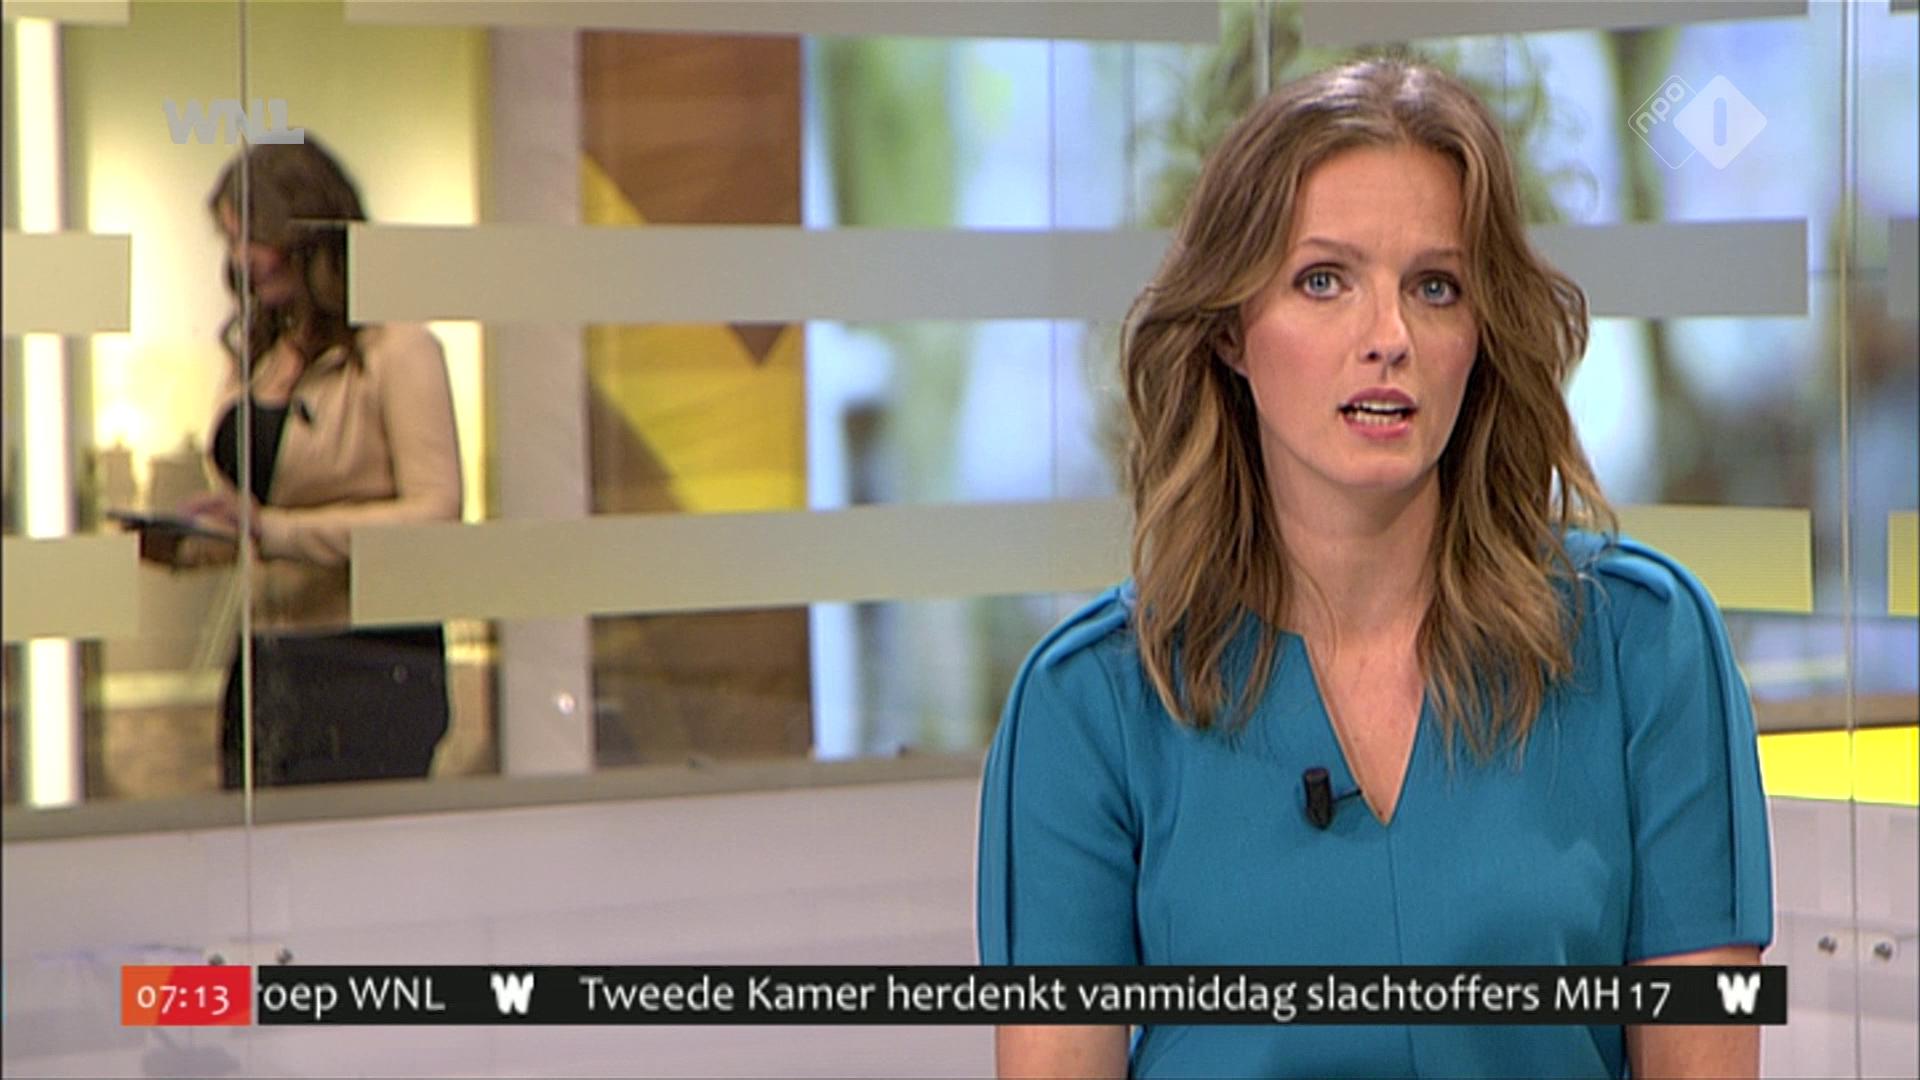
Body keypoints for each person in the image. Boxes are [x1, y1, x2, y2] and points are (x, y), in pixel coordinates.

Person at [976, 57, 1772, 1079]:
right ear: (1228, 331)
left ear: (1481, 333)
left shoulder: (1642, 648)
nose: (1389, 338)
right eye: (1324, 281)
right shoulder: (1093, 704)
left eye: (1435, 287)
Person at [146, 137, 462, 789]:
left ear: (308, 234)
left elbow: (436, 514)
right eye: (230, 241)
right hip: (268, 660)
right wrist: (186, 543)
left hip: (370, 663)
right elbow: (256, 518)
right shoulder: (258, 358)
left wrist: (275, 531)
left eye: (252, 238)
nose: (241, 260)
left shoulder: (399, 351)